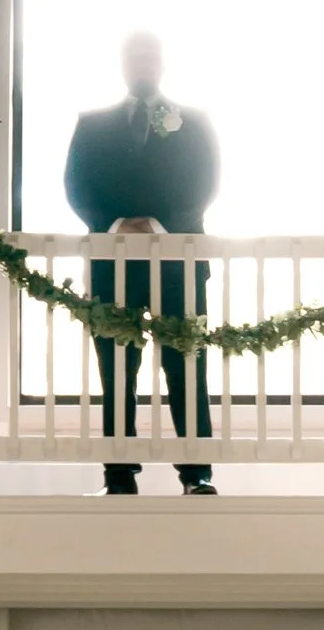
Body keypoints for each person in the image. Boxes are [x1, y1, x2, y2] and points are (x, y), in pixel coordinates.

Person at [62, 30, 221, 497]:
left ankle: (197, 477)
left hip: (179, 263)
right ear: (122, 64)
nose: (142, 63)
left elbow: (205, 183)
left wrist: (155, 223)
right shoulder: (91, 124)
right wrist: (117, 225)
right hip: (113, 264)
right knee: (115, 370)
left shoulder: (193, 121)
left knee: (186, 366)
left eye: (149, 55)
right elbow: (77, 185)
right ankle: (119, 477)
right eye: (133, 56)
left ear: (162, 63)